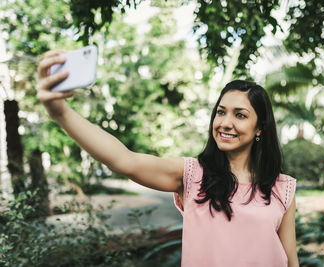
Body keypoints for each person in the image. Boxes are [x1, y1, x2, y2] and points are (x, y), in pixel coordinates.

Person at [37, 50, 299, 267]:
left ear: (260, 128)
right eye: (220, 112)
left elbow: (290, 260)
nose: (225, 123)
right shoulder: (193, 175)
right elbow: (123, 159)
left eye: (240, 115)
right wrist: (60, 113)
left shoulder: (282, 187)